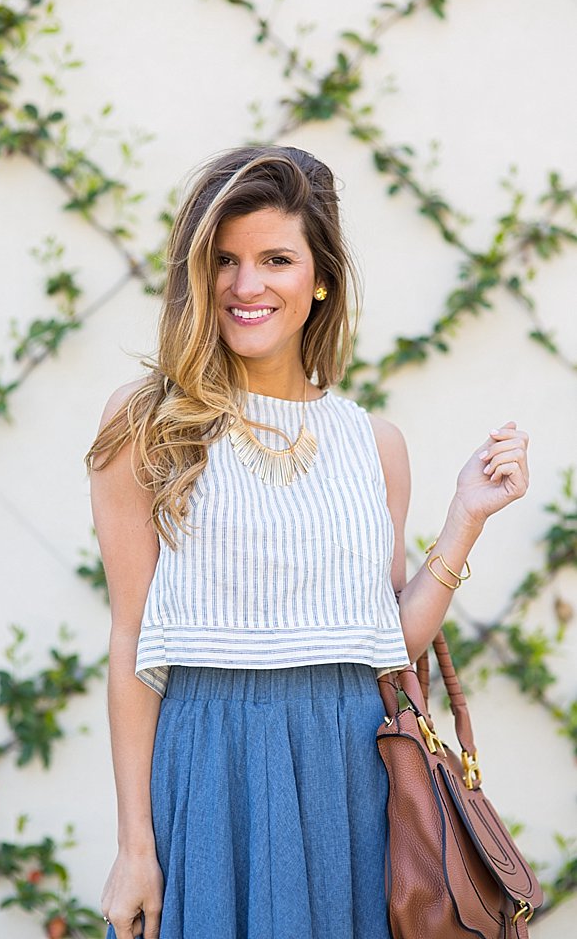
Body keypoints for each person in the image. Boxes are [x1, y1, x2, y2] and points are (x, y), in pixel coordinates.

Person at [86, 146, 529, 939]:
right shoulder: (148, 423)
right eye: (223, 260)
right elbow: (130, 640)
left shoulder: (373, 442)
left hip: (351, 770)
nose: (244, 285)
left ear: (319, 276)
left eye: (275, 259)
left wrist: (466, 516)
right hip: (210, 761)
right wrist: (133, 846)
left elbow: (387, 642)